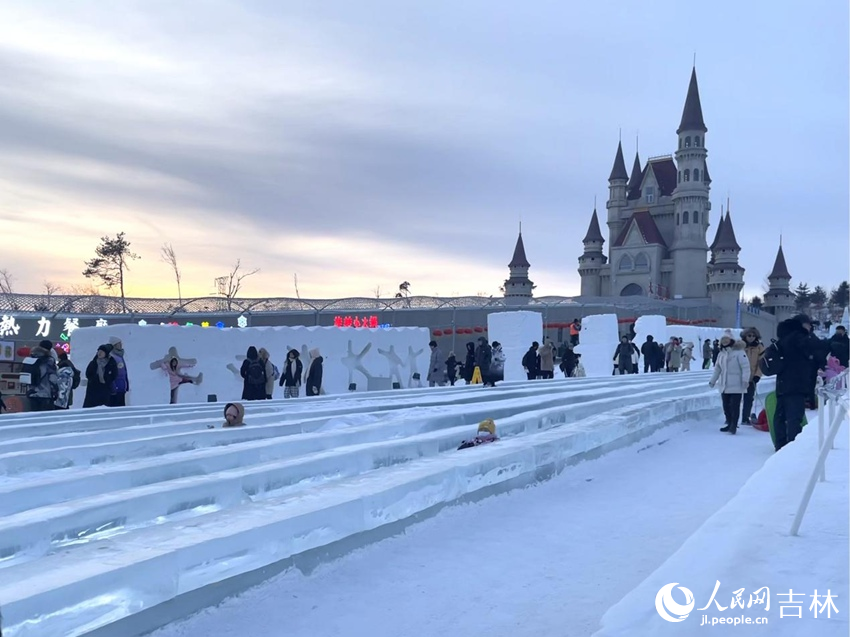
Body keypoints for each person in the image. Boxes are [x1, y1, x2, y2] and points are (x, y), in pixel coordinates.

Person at [773, 316, 816, 451]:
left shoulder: (784, 338)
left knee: (780, 416)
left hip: (782, 383)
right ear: (802, 325)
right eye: (809, 325)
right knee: (794, 418)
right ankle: (792, 449)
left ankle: (780, 445)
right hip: (797, 384)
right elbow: (817, 349)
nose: (811, 328)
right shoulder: (799, 338)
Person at [709, 332, 750, 434]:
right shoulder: (721, 354)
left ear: (731, 340)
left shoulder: (739, 352)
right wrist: (713, 380)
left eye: (727, 339)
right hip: (724, 385)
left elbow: (745, 367)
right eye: (723, 340)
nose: (725, 341)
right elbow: (717, 369)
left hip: (736, 384)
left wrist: (745, 380)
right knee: (726, 406)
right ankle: (729, 423)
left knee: (734, 406)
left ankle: (734, 425)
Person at [740, 327, 764, 425]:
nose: (751, 337)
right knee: (735, 398)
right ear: (745, 336)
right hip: (739, 377)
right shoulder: (739, 346)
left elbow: (761, 363)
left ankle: (745, 417)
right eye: (749, 335)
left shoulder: (759, 347)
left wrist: (757, 375)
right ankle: (731, 418)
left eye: (754, 336)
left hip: (751, 378)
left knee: (749, 398)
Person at [24, 342, 59, 411]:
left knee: (33, 417)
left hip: (32, 393)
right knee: (45, 418)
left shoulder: (30, 359)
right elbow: (52, 378)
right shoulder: (49, 360)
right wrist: (55, 391)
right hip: (45, 394)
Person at [107, 337, 130, 407]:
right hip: (115, 388)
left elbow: (124, 372)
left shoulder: (120, 356)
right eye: (119, 344)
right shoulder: (112, 357)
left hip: (121, 387)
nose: (121, 345)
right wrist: (113, 386)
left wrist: (126, 384)